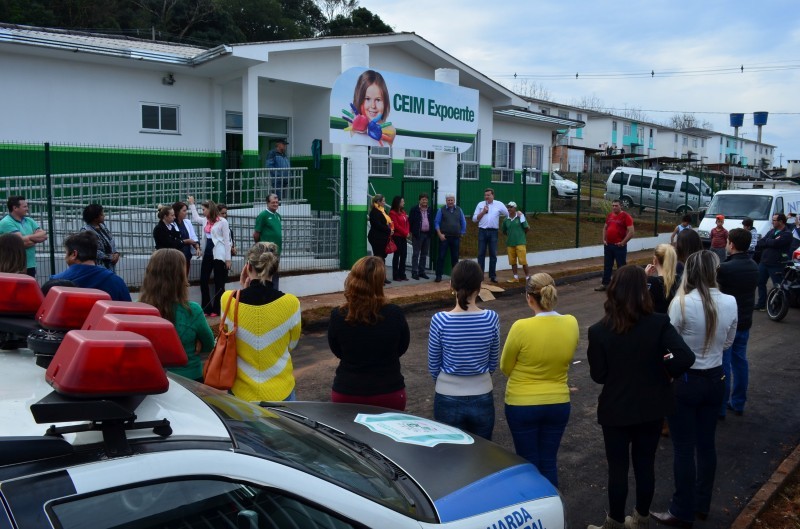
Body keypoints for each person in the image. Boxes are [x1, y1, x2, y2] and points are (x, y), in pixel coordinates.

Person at [587, 265, 694, 529]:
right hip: (652, 406)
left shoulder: (599, 331)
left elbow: (599, 376)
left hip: (616, 408)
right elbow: (684, 356)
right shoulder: (658, 323)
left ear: (613, 291)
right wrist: (666, 368)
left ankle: (613, 521)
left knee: (618, 468)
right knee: (645, 464)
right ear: (644, 292)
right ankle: (641, 517)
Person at [651, 251, 737, 526]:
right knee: (706, 445)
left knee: (684, 448)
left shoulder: (682, 303)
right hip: (715, 378)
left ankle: (681, 509)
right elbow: (728, 342)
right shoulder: (730, 302)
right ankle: (701, 504)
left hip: (687, 380)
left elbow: (669, 344)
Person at [500, 273, 578, 488]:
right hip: (558, 402)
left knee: (528, 463)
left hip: (522, 404)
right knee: (549, 462)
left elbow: (505, 367)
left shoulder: (521, 327)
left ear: (529, 298)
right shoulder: (571, 323)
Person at [428, 260, 499, 440]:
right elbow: (492, 362)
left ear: (451, 285)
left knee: (450, 456)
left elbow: (434, 365)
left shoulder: (440, 320)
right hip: (482, 392)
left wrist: (448, 381)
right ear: (480, 286)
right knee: (481, 456)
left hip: (447, 395)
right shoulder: (491, 318)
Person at [327, 256, 410, 410]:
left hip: (347, 391)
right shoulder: (395, 313)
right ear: (380, 282)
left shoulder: (338, 315)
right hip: (389, 391)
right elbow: (402, 347)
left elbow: (337, 349)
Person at [223, 242, 301, 402]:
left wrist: (243, 290)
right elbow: (292, 344)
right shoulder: (291, 303)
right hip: (281, 391)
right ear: (275, 268)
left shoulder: (228, 300)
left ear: (248, 267)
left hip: (240, 392)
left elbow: (228, 338)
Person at [138, 249, 214, 382]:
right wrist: (196, 339)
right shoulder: (192, 310)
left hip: (148, 380)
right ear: (180, 276)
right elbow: (209, 345)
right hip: (190, 381)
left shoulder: (136, 310)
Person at [717, 228, 758, 419]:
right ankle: (739, 402)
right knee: (740, 362)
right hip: (745, 321)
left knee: (724, 365)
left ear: (731, 244)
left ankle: (721, 407)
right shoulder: (754, 265)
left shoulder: (725, 268)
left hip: (727, 323)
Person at [50, 231, 131, 302]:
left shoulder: (55, 283)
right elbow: (127, 312)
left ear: (74, 254)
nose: (65, 257)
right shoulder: (116, 281)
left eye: (66, 253)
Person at [188, 196, 232, 316]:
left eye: (204, 209)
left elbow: (227, 241)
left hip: (219, 252)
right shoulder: (205, 220)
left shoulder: (223, 222)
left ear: (209, 209)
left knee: (219, 282)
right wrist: (192, 204)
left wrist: (228, 259)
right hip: (208, 251)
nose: (203, 212)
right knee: (204, 279)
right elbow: (196, 218)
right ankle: (206, 307)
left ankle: (217, 309)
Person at [0, 195, 48, 277]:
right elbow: (20, 243)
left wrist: (27, 239)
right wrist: (35, 238)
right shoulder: (6, 222)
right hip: (14, 266)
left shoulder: (29, 220)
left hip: (30, 265)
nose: (27, 209)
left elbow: (44, 235)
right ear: (15, 208)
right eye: (24, 206)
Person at [754, 213, 792, 311]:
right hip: (764, 262)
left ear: (781, 221)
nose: (772, 222)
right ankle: (761, 304)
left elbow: (776, 243)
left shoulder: (787, 233)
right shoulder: (772, 231)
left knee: (778, 286)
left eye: (774, 220)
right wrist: (770, 241)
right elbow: (761, 242)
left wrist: (769, 241)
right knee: (760, 282)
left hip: (776, 264)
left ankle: (777, 307)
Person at [595, 199, 634, 291]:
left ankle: (623, 286)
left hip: (619, 246)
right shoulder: (610, 216)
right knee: (607, 265)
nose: (614, 207)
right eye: (613, 205)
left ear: (621, 206)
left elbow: (631, 232)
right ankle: (605, 284)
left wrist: (623, 242)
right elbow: (605, 228)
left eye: (616, 205)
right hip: (608, 245)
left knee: (621, 266)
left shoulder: (626, 216)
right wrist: (604, 239)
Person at [472, 188, 510, 283]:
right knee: (481, 254)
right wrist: (483, 212)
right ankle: (480, 276)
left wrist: (517, 215)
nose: (486, 197)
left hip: (493, 232)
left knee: (493, 254)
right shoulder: (480, 204)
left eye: (488, 195)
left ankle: (492, 275)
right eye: (485, 195)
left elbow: (508, 214)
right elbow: (474, 219)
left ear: (493, 195)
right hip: (482, 231)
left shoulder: (499, 204)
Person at [434, 193, 467, 283]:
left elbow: (463, 221)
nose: (450, 202)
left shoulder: (459, 210)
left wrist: (462, 232)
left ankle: (455, 277)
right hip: (444, 238)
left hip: (456, 237)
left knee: (455, 258)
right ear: (446, 201)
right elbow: (436, 223)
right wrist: (440, 234)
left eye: (451, 200)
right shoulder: (441, 210)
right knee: (441, 257)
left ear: (454, 200)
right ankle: (438, 276)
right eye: (448, 200)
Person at [253, 193, 282, 290]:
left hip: (276, 251)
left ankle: (275, 294)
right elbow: (256, 234)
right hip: (266, 251)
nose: (275, 204)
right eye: (273, 202)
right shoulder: (263, 215)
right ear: (267, 203)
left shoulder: (278, 216)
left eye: (277, 202)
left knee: (275, 273)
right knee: (265, 273)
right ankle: (265, 294)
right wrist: (260, 246)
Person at [81, 204, 119, 272]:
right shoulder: (86, 231)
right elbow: (92, 250)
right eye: (102, 214)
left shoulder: (103, 226)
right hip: (97, 268)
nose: (104, 215)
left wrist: (116, 253)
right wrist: (110, 257)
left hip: (110, 266)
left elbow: (111, 240)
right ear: (95, 217)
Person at [645, 243, 678, 313]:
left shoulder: (651, 282)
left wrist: (645, 278)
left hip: (657, 322)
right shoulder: (679, 279)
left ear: (655, 259)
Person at [408, 192, 435, 280]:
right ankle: (414, 272)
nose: (424, 201)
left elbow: (432, 221)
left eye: (426, 199)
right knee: (416, 254)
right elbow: (410, 222)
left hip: (427, 235)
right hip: (418, 234)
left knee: (424, 254)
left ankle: (421, 271)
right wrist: (411, 232)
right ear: (419, 200)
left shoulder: (430, 210)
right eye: (423, 199)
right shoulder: (414, 209)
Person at [501, 201, 530, 283]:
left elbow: (527, 228)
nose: (509, 209)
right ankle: (515, 277)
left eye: (511, 207)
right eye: (508, 207)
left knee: (523, 261)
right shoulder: (506, 220)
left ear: (515, 208)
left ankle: (528, 277)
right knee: (512, 262)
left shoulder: (520, 217)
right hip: (510, 243)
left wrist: (521, 236)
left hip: (520, 243)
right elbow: (504, 231)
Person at [367, 194, 393, 284]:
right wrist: (388, 229)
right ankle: (378, 279)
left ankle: (383, 277)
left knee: (382, 258)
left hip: (383, 237)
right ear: (378, 202)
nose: (384, 203)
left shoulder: (383, 211)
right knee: (378, 258)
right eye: (383, 201)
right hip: (376, 237)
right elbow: (378, 225)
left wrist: (391, 228)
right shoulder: (374, 212)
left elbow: (386, 222)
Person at [171, 201, 200, 276]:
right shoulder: (171, 224)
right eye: (184, 211)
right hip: (176, 256)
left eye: (186, 210)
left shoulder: (187, 222)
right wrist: (186, 241)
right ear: (177, 212)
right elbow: (173, 241)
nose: (186, 212)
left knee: (185, 277)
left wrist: (197, 247)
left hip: (186, 255)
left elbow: (193, 236)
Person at [389, 196, 409, 281]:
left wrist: (407, 232)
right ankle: (395, 275)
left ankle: (402, 274)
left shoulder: (403, 212)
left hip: (403, 237)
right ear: (398, 203)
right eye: (402, 202)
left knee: (404, 255)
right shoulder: (392, 213)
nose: (404, 203)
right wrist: (405, 232)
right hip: (397, 237)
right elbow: (396, 226)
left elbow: (407, 222)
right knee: (397, 256)